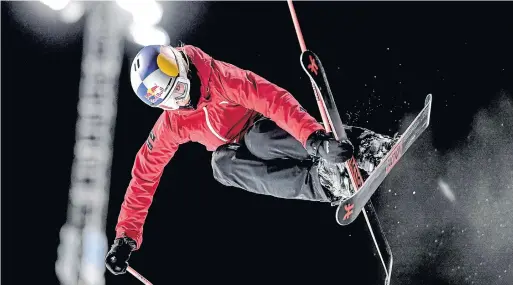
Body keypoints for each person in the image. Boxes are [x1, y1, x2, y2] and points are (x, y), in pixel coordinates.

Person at [105, 44, 398, 275]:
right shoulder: (174, 122)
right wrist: (125, 237)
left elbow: (270, 98)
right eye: (172, 101)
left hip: (262, 126)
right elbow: (145, 173)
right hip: (235, 152)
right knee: (220, 166)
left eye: (180, 88)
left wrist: (314, 139)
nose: (184, 101)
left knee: (259, 140)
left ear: (182, 68)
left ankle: (367, 147)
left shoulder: (216, 76)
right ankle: (325, 182)